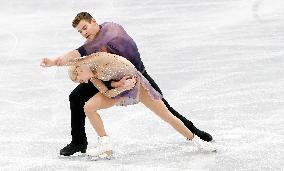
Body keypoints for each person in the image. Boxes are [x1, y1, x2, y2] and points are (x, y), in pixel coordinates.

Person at [40, 12, 213, 156]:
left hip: (136, 75)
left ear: (94, 21)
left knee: (164, 108)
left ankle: (194, 133)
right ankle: (79, 142)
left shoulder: (110, 32)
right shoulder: (94, 42)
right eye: (80, 32)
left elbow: (80, 53)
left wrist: (56, 61)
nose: (84, 33)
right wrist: (56, 62)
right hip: (110, 74)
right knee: (76, 97)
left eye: (85, 28)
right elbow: (81, 56)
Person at [49, 52, 217, 158]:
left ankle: (196, 140)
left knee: (166, 115)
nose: (83, 82)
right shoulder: (93, 77)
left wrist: (54, 62)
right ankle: (105, 142)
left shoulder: (99, 59)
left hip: (138, 84)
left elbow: (128, 68)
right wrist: (119, 86)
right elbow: (107, 93)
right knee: (89, 107)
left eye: (80, 79)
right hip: (123, 87)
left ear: (80, 69)